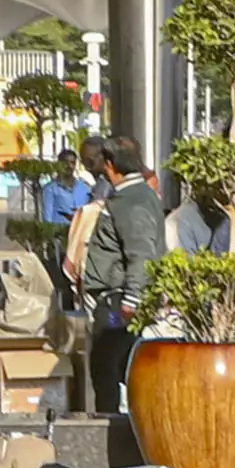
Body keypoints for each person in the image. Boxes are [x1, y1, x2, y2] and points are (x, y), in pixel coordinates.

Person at [65, 133, 158, 414]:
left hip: (118, 301)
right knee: (116, 368)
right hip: (114, 299)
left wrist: (132, 299)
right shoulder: (133, 196)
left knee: (107, 369)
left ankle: (111, 434)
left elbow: (140, 252)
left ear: (109, 163)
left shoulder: (131, 200)